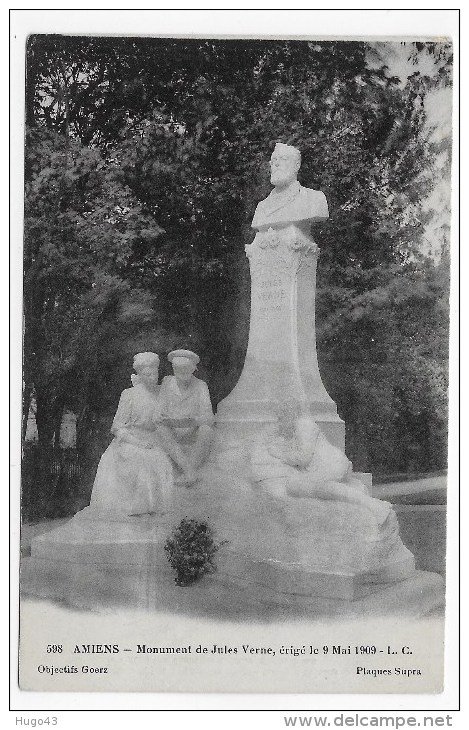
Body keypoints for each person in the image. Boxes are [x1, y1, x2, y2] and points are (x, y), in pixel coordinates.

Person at [251, 399, 392, 524]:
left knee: (300, 486)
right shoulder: (295, 429)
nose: (279, 422)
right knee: (297, 487)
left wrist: (279, 454)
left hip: (331, 465)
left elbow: (303, 458)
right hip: (323, 467)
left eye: (281, 417)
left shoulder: (304, 425)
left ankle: (373, 505)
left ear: (291, 414)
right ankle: (369, 503)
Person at [89, 352, 173, 516]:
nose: (152, 378)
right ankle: (137, 509)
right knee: (140, 459)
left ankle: (157, 509)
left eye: (154, 373)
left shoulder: (162, 393)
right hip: (130, 440)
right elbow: (117, 427)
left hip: (155, 437)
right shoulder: (129, 395)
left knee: (162, 460)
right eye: (147, 375)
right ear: (140, 375)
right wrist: (138, 443)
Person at [155, 349, 214, 487]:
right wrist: (166, 419)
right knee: (160, 429)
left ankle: (188, 471)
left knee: (207, 430)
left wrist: (193, 420)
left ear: (193, 369)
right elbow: (157, 413)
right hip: (173, 432)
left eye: (186, 369)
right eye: (178, 370)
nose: (182, 374)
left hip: (193, 431)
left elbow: (209, 417)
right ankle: (190, 471)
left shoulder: (201, 385)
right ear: (173, 369)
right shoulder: (167, 382)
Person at [251, 142, 329, 231]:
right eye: (273, 161)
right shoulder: (261, 207)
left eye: (283, 159)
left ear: (297, 165)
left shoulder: (314, 199)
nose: (276, 164)